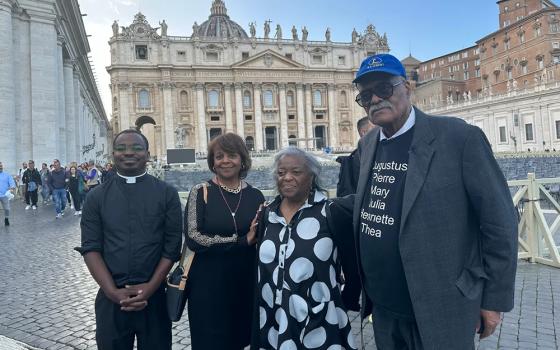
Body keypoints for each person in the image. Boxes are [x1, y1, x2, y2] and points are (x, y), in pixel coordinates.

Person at [349, 53, 518, 349]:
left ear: (407, 88)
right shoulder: (367, 144)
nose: (375, 99)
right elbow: (373, 203)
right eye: (365, 96)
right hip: (385, 311)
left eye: (384, 89)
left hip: (442, 307)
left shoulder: (459, 138)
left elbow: (500, 221)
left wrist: (493, 300)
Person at [77, 129, 182, 350]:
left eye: (136, 148)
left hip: (154, 298)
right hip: (110, 296)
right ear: (113, 154)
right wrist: (112, 291)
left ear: (147, 153)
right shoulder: (95, 197)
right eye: (121, 148)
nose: (129, 153)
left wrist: (151, 287)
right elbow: (91, 247)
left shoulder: (166, 193)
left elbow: (171, 248)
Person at [251, 147, 357, 350]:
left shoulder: (331, 212)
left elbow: (352, 263)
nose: (287, 178)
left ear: (312, 176)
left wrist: (346, 296)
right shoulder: (267, 214)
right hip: (273, 317)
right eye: (281, 173)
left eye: (296, 172)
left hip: (319, 317)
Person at [185, 132, 265, 350]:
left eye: (232, 155)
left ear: (242, 160)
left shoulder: (256, 196)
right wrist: (240, 241)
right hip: (207, 286)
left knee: (242, 340)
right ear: (212, 162)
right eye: (219, 156)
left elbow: (262, 236)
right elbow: (194, 238)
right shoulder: (200, 193)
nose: (225, 161)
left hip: (245, 282)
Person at [336, 116, 375, 197]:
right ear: (364, 132)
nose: (381, 132)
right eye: (375, 129)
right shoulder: (363, 156)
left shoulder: (358, 154)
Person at [0, 162, 16, 226]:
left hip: (4, 195)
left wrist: (12, 188)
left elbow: (12, 182)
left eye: (1, 166)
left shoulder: (7, 175)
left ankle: (6, 218)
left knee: (7, 209)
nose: (0, 167)